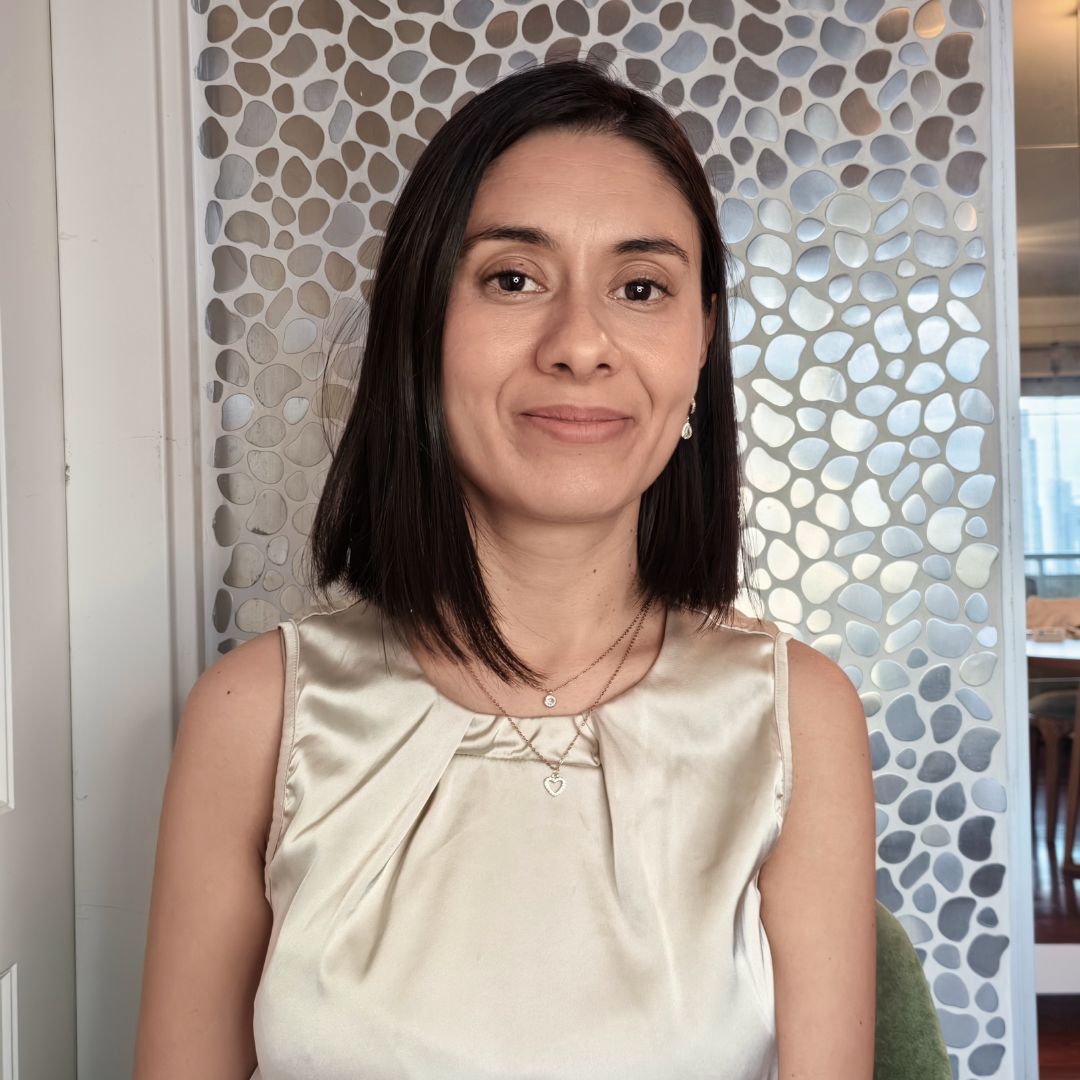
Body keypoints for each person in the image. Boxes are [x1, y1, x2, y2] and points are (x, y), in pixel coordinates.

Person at [134, 57, 876, 1079]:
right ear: (420, 322)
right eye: (513, 278)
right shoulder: (257, 714)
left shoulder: (795, 719)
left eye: (642, 287)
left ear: (702, 340)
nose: (581, 344)